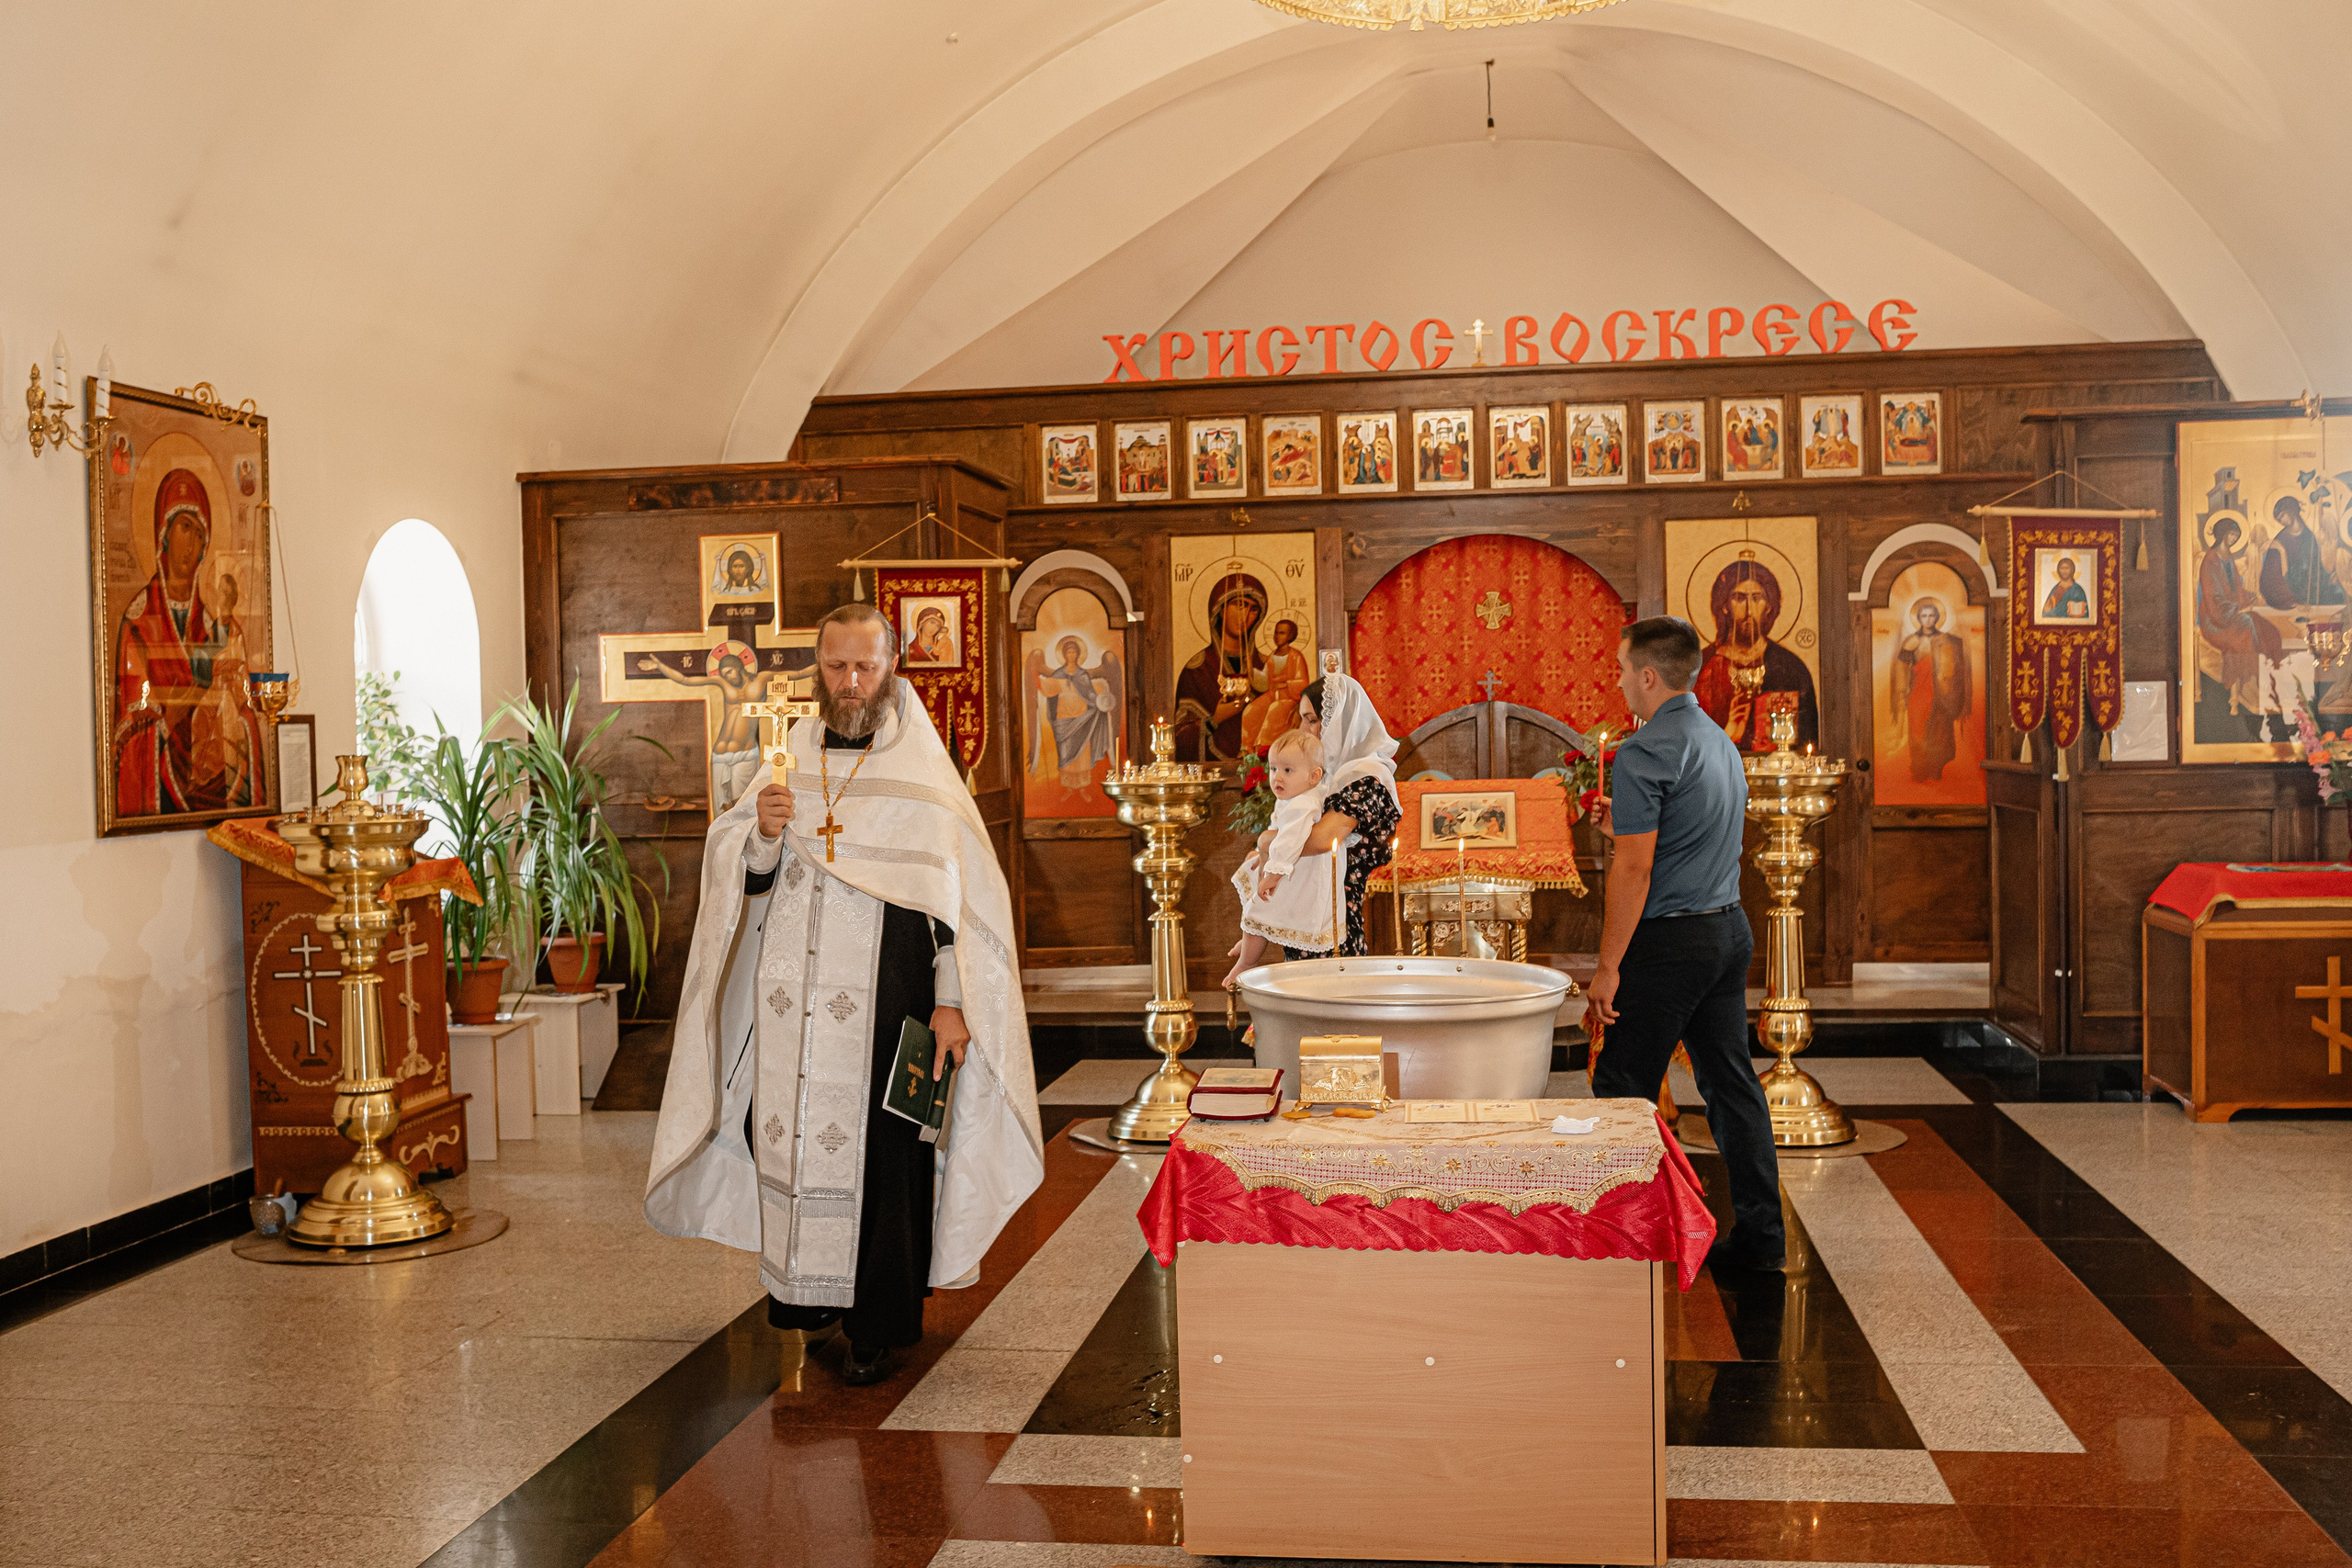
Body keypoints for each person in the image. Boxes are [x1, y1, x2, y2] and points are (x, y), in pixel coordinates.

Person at [644, 604, 1043, 1386]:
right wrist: (758, 831)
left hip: (889, 1001)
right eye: (836, 666)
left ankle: (878, 1326)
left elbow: (955, 907)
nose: (851, 681)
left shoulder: (922, 772)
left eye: (865, 665)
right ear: (816, 668)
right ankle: (807, 1300)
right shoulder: (788, 755)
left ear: (891, 665)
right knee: (785, 1137)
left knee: (886, 1159)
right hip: (792, 1012)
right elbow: (744, 871)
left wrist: (953, 1000)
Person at [1589, 616, 1782, 1273]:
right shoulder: (1717, 739)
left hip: (1671, 941)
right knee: (1732, 1086)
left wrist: (1609, 965)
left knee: (1622, 1084)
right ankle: (1762, 1239)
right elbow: (1688, 831)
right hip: (1727, 930)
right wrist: (1624, 822)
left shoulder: (1646, 750)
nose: (1618, 681)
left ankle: (1631, 1240)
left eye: (1621, 669)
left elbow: (1636, 871)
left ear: (1648, 675)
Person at [114, 468, 264, 816]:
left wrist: (236, 705)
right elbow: (127, 732)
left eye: (200, 535)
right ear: (163, 534)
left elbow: (245, 717)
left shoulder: (220, 630)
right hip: (162, 793)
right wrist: (169, 721)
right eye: (185, 528)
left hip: (214, 786)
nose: (192, 543)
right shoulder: (138, 624)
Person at [1282, 674, 1402, 958]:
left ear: (1340, 720)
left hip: (1335, 929)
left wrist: (1266, 844)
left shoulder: (1365, 776)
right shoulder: (1330, 776)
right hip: (1309, 922)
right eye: (1302, 719)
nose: (1303, 729)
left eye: (1311, 719)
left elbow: (1324, 839)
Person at [1224, 728, 1337, 981]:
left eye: (1287, 770)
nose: (1277, 777)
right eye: (1274, 769)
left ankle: (1247, 962)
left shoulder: (1303, 804)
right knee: (1252, 877)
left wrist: (1273, 874)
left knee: (1258, 909)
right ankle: (1251, 940)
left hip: (1296, 872)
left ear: (1314, 776)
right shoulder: (1295, 797)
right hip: (1289, 866)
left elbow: (1290, 840)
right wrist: (1261, 852)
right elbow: (1278, 828)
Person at [1691, 558, 1819, 754]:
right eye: (1739, 598)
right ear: (1724, 605)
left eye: (1757, 598)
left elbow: (1807, 742)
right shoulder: (1702, 668)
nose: (1749, 610)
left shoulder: (1792, 668)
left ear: (1769, 606)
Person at [1891, 597, 1970, 783]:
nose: (1928, 619)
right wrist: (1902, 694)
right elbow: (1901, 669)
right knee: (1919, 733)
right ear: (1918, 618)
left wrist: (1953, 695)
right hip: (1919, 694)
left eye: (1931, 615)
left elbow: (1956, 671)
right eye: (1924, 615)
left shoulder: (1947, 641)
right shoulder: (1911, 641)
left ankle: (1936, 769)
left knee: (1940, 734)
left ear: (1937, 618)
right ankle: (1920, 770)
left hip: (1941, 695)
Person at [2039, 556, 2089, 620]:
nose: (2064, 571)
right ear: (2058, 570)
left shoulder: (2077, 589)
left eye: (2067, 568)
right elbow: (2046, 612)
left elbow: (2084, 614)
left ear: (2071, 570)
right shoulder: (2056, 589)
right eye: (2062, 568)